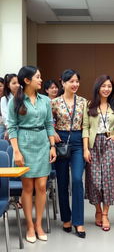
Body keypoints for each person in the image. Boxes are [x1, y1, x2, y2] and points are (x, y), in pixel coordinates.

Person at [7, 66, 56, 243]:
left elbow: (50, 124)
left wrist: (52, 146)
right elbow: (11, 127)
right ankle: (29, 225)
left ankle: (38, 224)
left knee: (42, 186)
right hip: (24, 144)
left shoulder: (45, 100)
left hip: (42, 142)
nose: (41, 80)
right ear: (27, 80)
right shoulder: (16, 101)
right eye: (38, 77)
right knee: (28, 188)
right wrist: (17, 152)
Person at [51, 69, 86, 238]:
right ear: (63, 83)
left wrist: (86, 148)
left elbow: (86, 125)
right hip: (60, 142)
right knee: (62, 181)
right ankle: (66, 218)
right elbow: (47, 122)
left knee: (78, 180)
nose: (75, 84)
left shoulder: (83, 102)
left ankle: (78, 222)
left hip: (78, 141)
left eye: (77, 81)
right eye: (71, 81)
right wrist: (53, 133)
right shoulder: (54, 102)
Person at [83, 75, 114, 232]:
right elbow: (85, 127)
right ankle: (97, 209)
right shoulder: (89, 105)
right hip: (93, 144)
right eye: (103, 86)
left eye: (109, 86)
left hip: (109, 143)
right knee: (95, 180)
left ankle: (105, 214)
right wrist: (85, 149)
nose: (106, 89)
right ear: (98, 87)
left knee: (108, 179)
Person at [1, 74, 20, 138]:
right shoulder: (4, 99)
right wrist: (11, 130)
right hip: (12, 130)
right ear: (8, 85)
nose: (17, 85)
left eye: (18, 83)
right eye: (14, 83)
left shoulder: (23, 97)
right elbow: (6, 118)